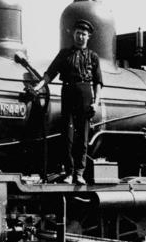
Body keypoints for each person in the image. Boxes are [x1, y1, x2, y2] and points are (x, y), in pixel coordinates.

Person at [31, 20, 103, 185]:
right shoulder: (64, 54)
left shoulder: (93, 57)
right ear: (73, 34)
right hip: (68, 94)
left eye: (84, 34)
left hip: (86, 96)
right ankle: (69, 172)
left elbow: (98, 82)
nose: (80, 37)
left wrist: (96, 103)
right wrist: (38, 86)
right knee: (67, 137)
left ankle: (79, 173)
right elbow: (50, 74)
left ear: (88, 36)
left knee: (82, 138)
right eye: (78, 33)